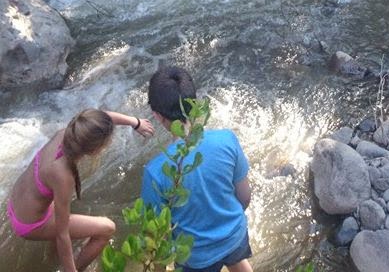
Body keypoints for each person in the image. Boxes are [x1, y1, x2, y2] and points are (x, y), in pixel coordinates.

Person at [7, 107, 154, 272]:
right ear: (95, 150)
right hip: (29, 224)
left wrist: (135, 122)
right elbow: (62, 235)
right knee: (107, 228)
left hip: (17, 203)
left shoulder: (68, 134)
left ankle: (51, 259)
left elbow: (99, 119)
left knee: (62, 214)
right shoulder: (63, 176)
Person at [142, 66, 253, 272]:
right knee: (236, 259)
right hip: (235, 235)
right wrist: (224, 228)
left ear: (157, 115)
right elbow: (245, 197)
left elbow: (155, 237)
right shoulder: (227, 139)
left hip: (196, 257)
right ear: (195, 102)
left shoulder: (155, 172)